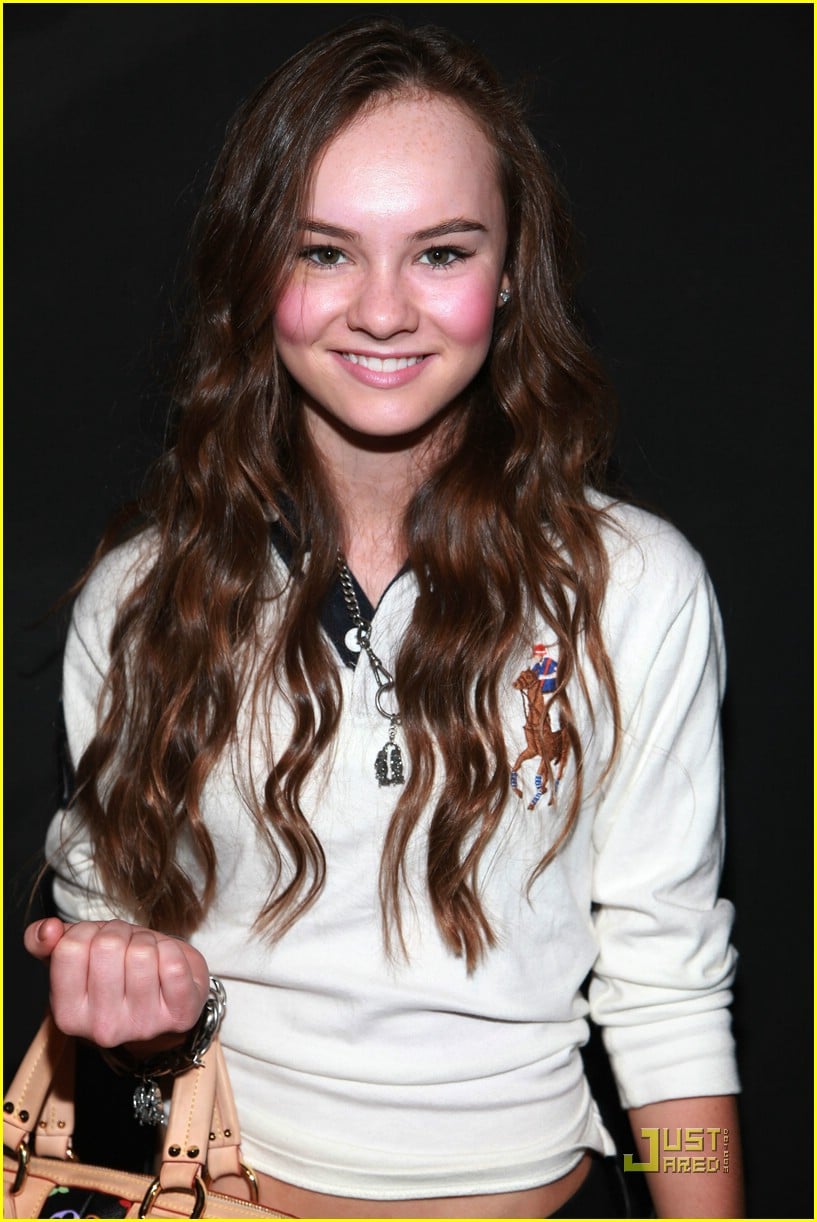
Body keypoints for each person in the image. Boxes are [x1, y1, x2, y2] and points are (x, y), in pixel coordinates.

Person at [23, 18, 743, 1218]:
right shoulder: (140, 599)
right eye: (324, 251)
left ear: (509, 274)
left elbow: (669, 997)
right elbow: (122, 1074)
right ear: (257, 270)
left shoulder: (635, 584)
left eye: (440, 252)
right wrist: (133, 1023)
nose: (382, 310)